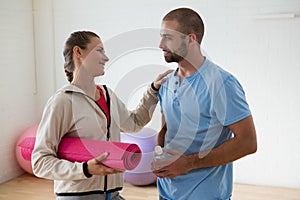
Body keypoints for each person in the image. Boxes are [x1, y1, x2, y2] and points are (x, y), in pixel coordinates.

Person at [31, 31, 172, 200]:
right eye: (99, 51)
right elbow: (39, 162)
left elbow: (135, 123)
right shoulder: (63, 101)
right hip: (79, 196)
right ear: (78, 52)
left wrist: (153, 90)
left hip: (112, 194)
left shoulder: (108, 95)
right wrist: (85, 169)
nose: (106, 58)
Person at [152, 8, 257, 200]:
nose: (160, 44)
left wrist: (190, 163)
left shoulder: (222, 84)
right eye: (161, 36)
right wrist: (157, 157)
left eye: (168, 37)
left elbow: (248, 142)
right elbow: (166, 130)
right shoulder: (166, 84)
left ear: (190, 39)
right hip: (166, 194)